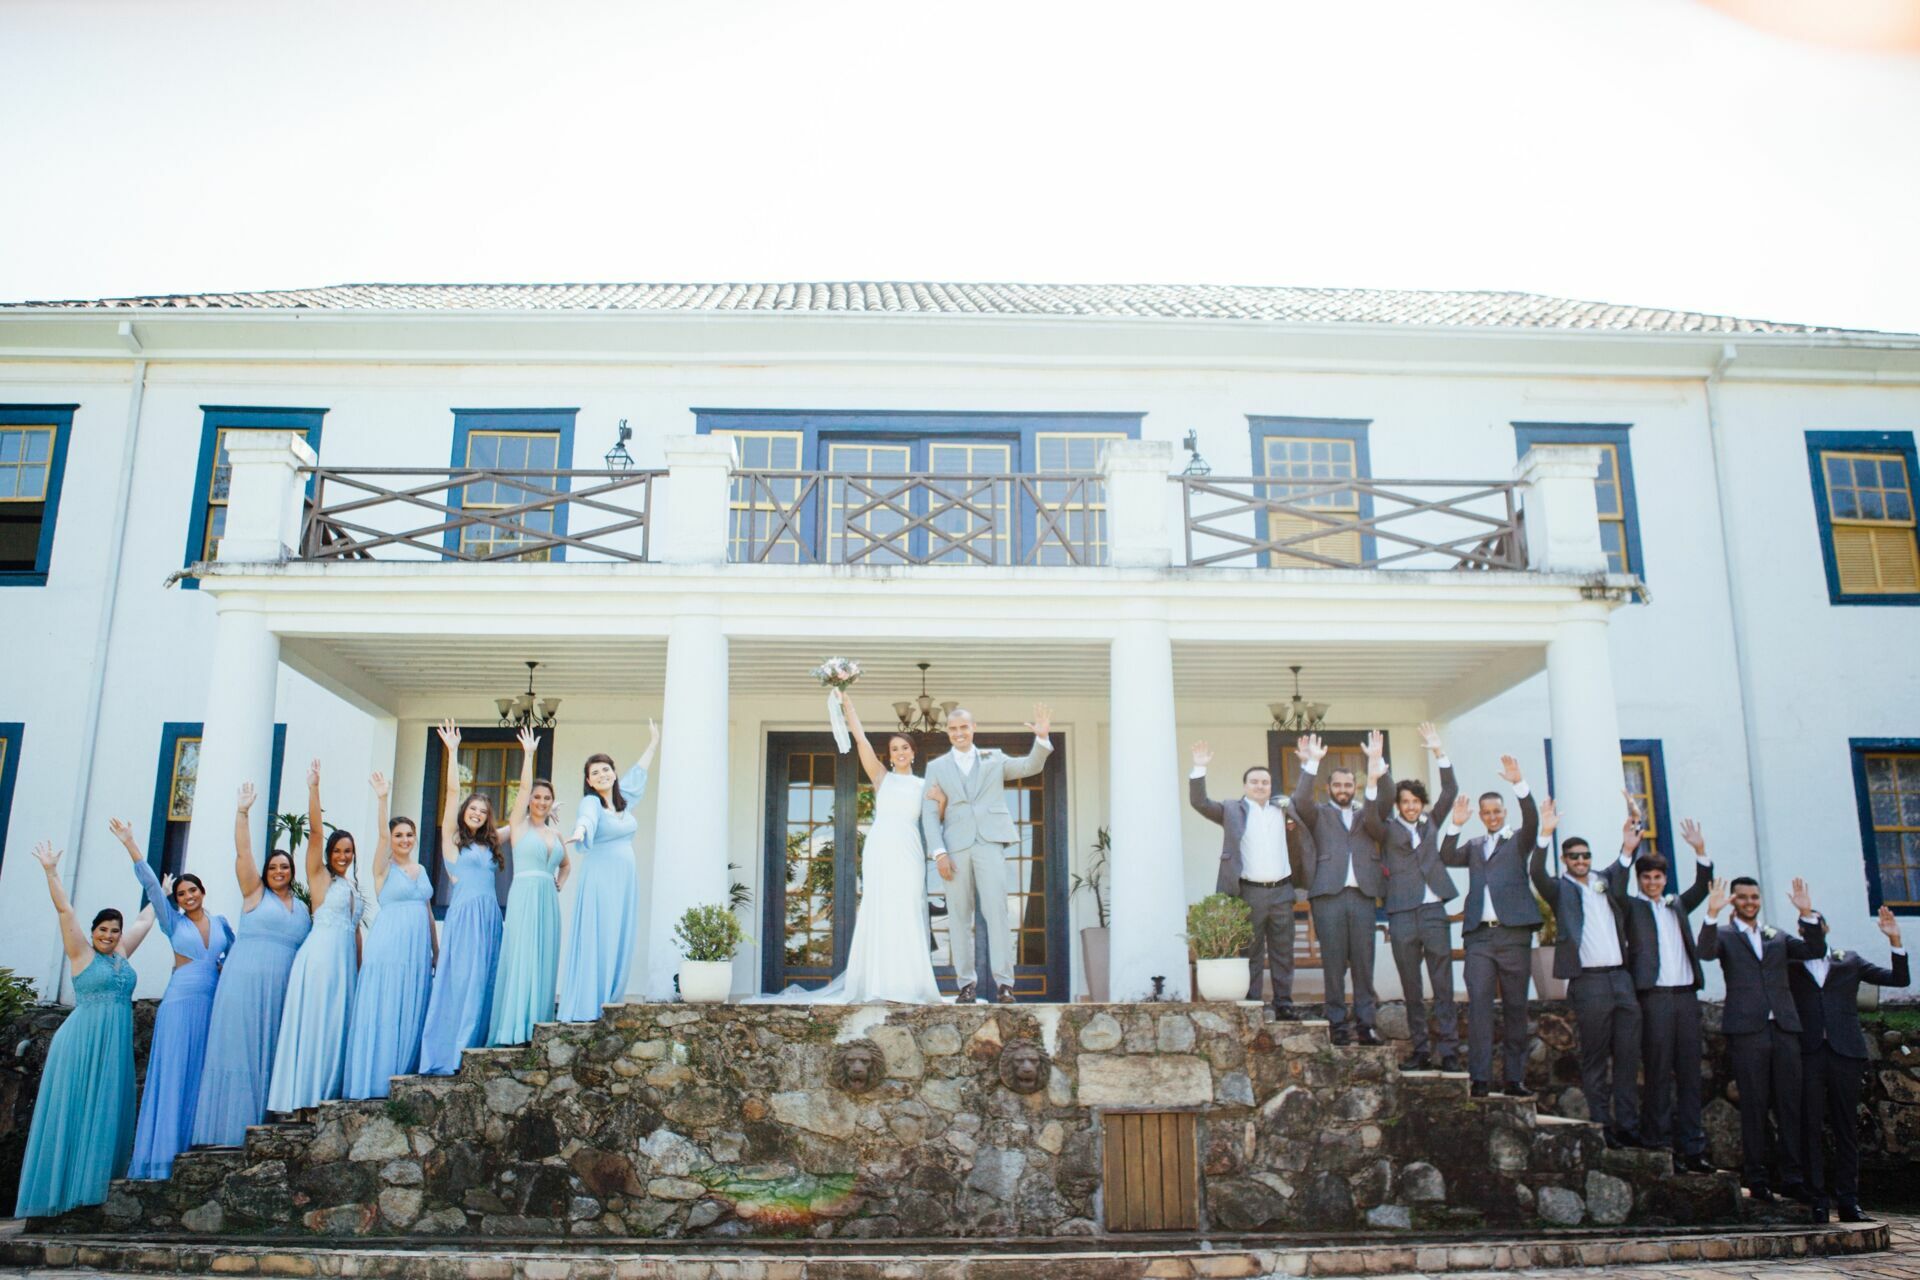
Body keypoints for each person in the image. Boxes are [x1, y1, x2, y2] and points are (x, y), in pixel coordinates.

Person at [770, 689, 949, 1002]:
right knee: (880, 908)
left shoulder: (924, 786)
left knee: (907, 909)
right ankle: (878, 984)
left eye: (905, 747)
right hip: (881, 848)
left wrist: (943, 801)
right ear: (890, 755)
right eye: (894, 749)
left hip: (909, 851)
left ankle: (908, 984)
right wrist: (848, 708)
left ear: (913, 752)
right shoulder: (881, 778)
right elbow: (862, 741)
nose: (900, 752)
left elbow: (937, 821)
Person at [15, 842, 156, 1216]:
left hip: (113, 1045)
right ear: (93, 931)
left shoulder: (122, 954)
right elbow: (64, 909)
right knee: (76, 1109)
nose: (110, 935)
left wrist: (161, 888)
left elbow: (146, 919)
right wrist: (50, 871)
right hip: (81, 1041)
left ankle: (93, 1186)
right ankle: (62, 1194)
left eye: (114, 930)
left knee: (106, 1107)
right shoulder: (81, 954)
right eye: (104, 929)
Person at [109, 816, 234, 1180]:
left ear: (203, 892)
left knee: (202, 1073)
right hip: (180, 1003)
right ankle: (160, 1156)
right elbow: (150, 885)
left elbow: (234, 959)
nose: (188, 896)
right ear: (176, 900)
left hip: (213, 1005)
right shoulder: (173, 923)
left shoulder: (224, 923)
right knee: (176, 1072)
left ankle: (196, 1143)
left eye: (192, 890)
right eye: (181, 894)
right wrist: (132, 844)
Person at [191, 782, 312, 1146]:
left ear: (292, 871)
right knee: (240, 1046)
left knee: (274, 1045)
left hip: (283, 986)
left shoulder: (305, 908)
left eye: (284, 866)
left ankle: (266, 1118)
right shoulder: (254, 894)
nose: (279, 871)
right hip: (245, 981)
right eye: (273, 866)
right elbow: (243, 853)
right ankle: (228, 1128)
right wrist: (242, 813)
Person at [1698, 874, 1825, 1206]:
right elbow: (1705, 951)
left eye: (1754, 897)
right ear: (1734, 901)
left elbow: (1814, 949)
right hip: (1747, 1030)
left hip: (1783, 1028)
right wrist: (1711, 914)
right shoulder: (1724, 935)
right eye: (1743, 898)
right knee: (1753, 1106)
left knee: (1789, 1105)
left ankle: (1793, 1178)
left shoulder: (1777, 936)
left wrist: (1806, 914)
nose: (1750, 902)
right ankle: (1757, 1179)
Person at [1529, 796, 1643, 1147]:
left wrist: (1629, 836)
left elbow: (1624, 862)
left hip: (1621, 979)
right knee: (1595, 1058)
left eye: (1586, 855)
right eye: (1575, 856)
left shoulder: (1604, 880)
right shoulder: (1560, 889)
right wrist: (1545, 834)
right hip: (1589, 981)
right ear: (1565, 860)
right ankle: (1603, 1128)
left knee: (1627, 1056)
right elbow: (1536, 872)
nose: (1581, 861)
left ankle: (1628, 1128)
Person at [920, 705, 1053, 1004]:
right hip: (954, 847)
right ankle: (966, 985)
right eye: (953, 729)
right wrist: (939, 852)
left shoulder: (994, 757)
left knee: (997, 914)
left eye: (963, 728)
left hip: (990, 842)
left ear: (973, 728)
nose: (959, 734)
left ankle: (1005, 984)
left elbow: (1028, 767)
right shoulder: (937, 767)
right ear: (947, 732)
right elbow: (929, 815)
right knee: (957, 917)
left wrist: (1042, 740)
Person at [1789, 902, 1907, 1222]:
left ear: (1825, 929)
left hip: (1845, 1052)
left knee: (1846, 1129)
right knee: (1810, 1126)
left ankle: (1848, 1201)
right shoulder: (1792, 964)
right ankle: (1816, 1199)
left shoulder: (1850, 960)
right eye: (1802, 929)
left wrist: (1895, 940)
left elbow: (1899, 978)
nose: (1808, 933)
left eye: (1814, 926)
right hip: (1809, 1052)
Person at [1438, 755, 1541, 1098]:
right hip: (1480, 938)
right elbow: (1446, 857)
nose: (1492, 817)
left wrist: (1519, 784)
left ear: (1504, 813)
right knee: (1479, 1005)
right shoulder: (1476, 846)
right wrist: (1454, 824)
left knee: (1515, 1008)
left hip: (1513, 935)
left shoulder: (1518, 842)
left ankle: (1514, 1079)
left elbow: (1533, 821)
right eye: (1487, 813)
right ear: (1481, 817)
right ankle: (1480, 1078)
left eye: (1497, 811)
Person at [267, 762, 364, 1116]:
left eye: (348, 851)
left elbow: (356, 932)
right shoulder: (319, 877)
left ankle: (325, 1093)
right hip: (321, 957)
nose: (342, 856)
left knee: (337, 1026)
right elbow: (317, 835)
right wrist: (313, 789)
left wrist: (359, 968)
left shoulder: (352, 886)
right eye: (338, 851)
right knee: (316, 1023)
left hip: (344, 965)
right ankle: (301, 1098)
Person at [1362, 723, 1459, 1070]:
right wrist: (1375, 772)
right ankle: (1420, 1050)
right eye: (1405, 802)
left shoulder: (1432, 822)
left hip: (1433, 911)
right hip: (1402, 912)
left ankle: (1449, 1052)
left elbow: (1450, 790)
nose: (1411, 807)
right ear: (1398, 805)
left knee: (1443, 984)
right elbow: (1369, 813)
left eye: (1416, 802)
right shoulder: (1385, 830)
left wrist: (1437, 750)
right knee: (1412, 985)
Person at [1623, 817, 1715, 1172]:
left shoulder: (1677, 905)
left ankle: (1693, 1148)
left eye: (1657, 878)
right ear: (1640, 881)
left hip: (1686, 996)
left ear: (1665, 879)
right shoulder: (1633, 907)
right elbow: (1616, 891)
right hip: (1655, 996)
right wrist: (1629, 848)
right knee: (1659, 1070)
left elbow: (1702, 887)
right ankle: (1658, 1142)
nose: (1652, 883)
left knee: (1691, 1073)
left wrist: (1700, 850)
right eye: (1646, 878)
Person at [418, 722, 509, 1074]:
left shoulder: (491, 843)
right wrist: (454, 751)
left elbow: (518, 823)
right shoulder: (453, 838)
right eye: (473, 810)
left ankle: (474, 1047)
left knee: (484, 977)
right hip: (464, 915)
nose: (477, 814)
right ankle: (449, 1052)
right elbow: (452, 793)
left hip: (489, 917)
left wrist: (544, 813)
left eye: (483, 812)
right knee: (460, 980)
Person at [1190, 740, 1301, 1019]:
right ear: (1245, 786)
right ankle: (1253, 1004)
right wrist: (1199, 768)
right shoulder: (1232, 810)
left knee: (1282, 953)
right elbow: (1200, 803)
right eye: (1254, 782)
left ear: (1270, 785)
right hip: (1249, 892)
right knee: (1250, 953)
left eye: (1265, 782)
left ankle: (1284, 1003)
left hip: (1282, 891)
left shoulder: (1284, 810)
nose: (1260, 786)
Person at [557, 720, 659, 1021]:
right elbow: (586, 819)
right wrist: (578, 831)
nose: (602, 775)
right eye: (595, 772)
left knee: (619, 932)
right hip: (600, 877)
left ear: (613, 773)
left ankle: (610, 998)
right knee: (598, 932)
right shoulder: (591, 803)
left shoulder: (623, 801)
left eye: (606, 769)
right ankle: (588, 1003)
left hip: (625, 880)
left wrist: (653, 742)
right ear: (589, 781)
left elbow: (639, 772)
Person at [341, 772, 434, 1098]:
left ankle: (402, 1075)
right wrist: (382, 798)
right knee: (386, 1005)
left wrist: (435, 949)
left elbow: (427, 911)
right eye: (399, 835)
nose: (405, 839)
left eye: (409, 834)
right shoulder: (382, 868)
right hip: (389, 944)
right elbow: (381, 837)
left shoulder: (421, 870)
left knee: (411, 1005)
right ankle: (375, 1081)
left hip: (417, 948)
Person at [1290, 733, 1386, 1045]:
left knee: (1363, 963)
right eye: (1338, 785)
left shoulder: (1366, 813)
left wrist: (1375, 762)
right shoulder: (1318, 813)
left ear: (1355, 788)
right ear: (1329, 788)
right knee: (1333, 964)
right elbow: (1299, 801)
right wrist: (1313, 762)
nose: (1343, 790)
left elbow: (1385, 798)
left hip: (1361, 896)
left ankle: (1366, 1026)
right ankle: (1337, 1027)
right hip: (1328, 896)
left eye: (1348, 785)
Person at [489, 751, 571, 1045]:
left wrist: (558, 884)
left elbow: (566, 865)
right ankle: (514, 1029)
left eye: (546, 798)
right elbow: (522, 789)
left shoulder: (555, 833)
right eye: (537, 797)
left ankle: (538, 1024)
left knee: (544, 957)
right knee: (523, 955)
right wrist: (528, 754)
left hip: (548, 901)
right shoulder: (519, 827)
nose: (541, 802)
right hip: (524, 896)